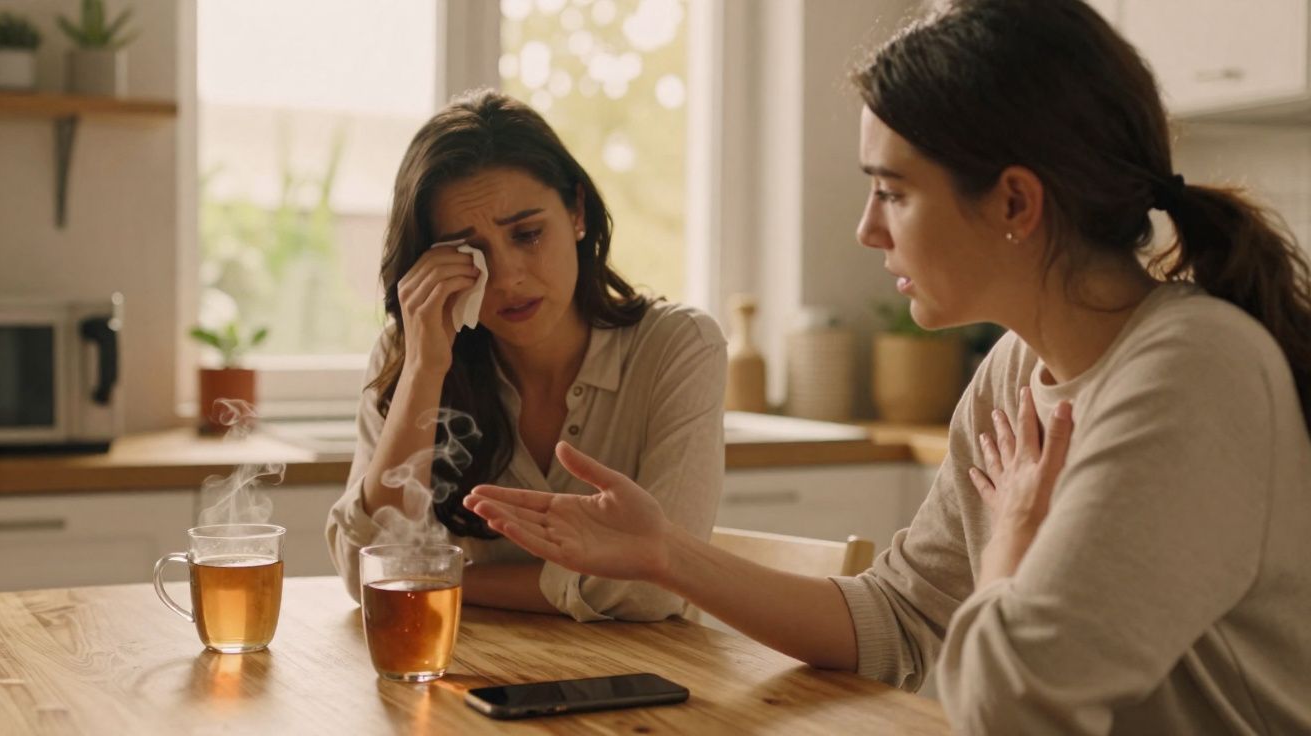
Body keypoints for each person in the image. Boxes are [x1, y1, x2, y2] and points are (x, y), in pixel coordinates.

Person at [462, 0, 1311, 732]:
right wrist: (665, 556)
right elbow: (902, 618)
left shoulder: (1192, 372)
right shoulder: (1016, 372)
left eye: (894, 191)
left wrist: (1012, 543)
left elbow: (1011, 709)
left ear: (1016, 202)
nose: (868, 228)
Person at [325, 90, 726, 623]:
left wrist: (445, 582)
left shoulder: (679, 347)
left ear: (577, 211)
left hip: (648, 685)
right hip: (475, 683)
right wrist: (425, 369)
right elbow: (368, 574)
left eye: (528, 234)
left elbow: (657, 588)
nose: (509, 276)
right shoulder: (411, 355)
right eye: (472, 253)